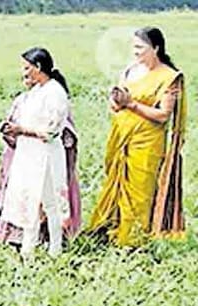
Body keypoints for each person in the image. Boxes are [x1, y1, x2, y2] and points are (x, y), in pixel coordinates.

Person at [87, 27, 187, 245]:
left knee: (140, 192)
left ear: (156, 48)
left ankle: (133, 242)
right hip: (121, 136)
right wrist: (116, 101)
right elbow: (116, 106)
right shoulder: (130, 70)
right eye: (133, 47)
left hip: (147, 142)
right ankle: (110, 231)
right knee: (116, 184)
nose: (135, 52)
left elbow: (162, 116)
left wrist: (131, 104)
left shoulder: (168, 77)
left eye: (140, 48)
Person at [0, 48, 76, 257]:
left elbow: (51, 131)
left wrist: (22, 130)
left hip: (46, 155)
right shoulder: (36, 92)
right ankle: (28, 248)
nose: (24, 72)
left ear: (38, 67)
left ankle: (55, 248)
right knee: (28, 201)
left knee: (50, 204)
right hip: (28, 154)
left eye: (27, 67)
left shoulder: (55, 92)